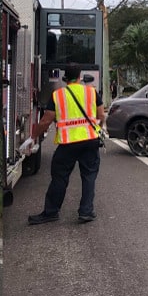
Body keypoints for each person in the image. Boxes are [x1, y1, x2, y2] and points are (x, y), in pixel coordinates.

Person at [21, 64, 106, 225]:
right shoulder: (91, 92)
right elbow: (101, 115)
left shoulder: (58, 95)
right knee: (89, 176)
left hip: (67, 145)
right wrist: (97, 130)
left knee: (60, 178)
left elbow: (46, 121)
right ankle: (86, 212)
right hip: (90, 141)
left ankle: (51, 212)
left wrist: (32, 137)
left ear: (65, 78)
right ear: (80, 77)